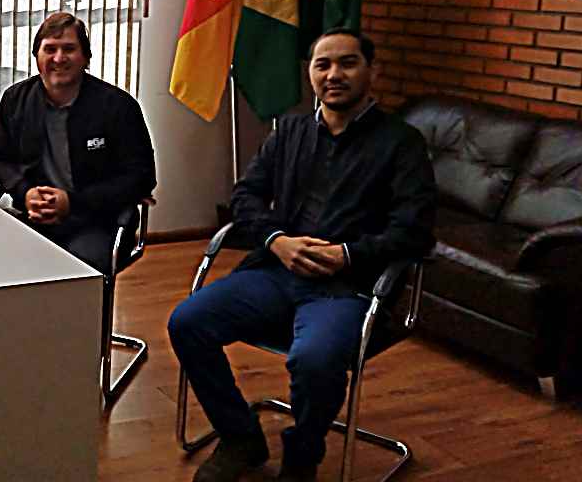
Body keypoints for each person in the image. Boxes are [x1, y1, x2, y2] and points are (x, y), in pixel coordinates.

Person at [167, 29, 436, 482]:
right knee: (187, 322)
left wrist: (347, 254)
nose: (334, 75)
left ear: (372, 71)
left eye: (348, 63)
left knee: (315, 360)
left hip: (347, 288)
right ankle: (240, 437)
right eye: (322, 65)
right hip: (276, 271)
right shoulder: (289, 131)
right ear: (310, 72)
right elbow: (245, 196)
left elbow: (414, 231)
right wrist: (277, 240)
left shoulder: (401, 143)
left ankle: (301, 459)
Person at [0, 11, 155, 275]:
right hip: (33, 217)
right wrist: (25, 193)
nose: (58, 58)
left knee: (77, 274)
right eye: (50, 49)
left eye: (69, 49)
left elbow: (141, 177)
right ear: (36, 56)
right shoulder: (15, 100)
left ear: (85, 57)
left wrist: (72, 202)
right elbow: (0, 158)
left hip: (97, 221)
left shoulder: (118, 107)